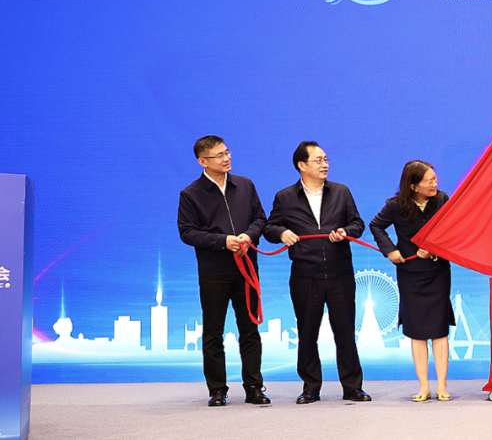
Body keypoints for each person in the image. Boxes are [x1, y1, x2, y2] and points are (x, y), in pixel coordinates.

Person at [264, 141, 370, 404]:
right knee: (307, 333)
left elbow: (357, 223)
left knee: (345, 332)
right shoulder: (285, 197)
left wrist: (346, 232)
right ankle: (311, 387)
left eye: (326, 159)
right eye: (318, 160)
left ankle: (352, 387)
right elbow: (269, 228)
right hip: (305, 275)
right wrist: (282, 233)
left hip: (340, 273)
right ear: (302, 165)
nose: (325, 165)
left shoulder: (341, 192)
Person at [177, 135, 270, 407]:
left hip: (247, 269)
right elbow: (187, 232)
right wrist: (223, 241)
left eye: (227, 152)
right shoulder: (191, 194)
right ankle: (217, 390)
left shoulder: (245, 185)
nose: (226, 158)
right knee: (213, 333)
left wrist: (248, 236)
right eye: (219, 155)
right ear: (202, 161)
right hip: (213, 273)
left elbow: (260, 219)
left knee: (250, 330)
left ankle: (254, 387)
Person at [369, 161, 456, 402]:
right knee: (417, 331)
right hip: (410, 273)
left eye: (435, 179)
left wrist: (434, 248)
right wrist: (390, 250)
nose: (435, 184)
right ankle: (424, 387)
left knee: (439, 330)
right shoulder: (395, 205)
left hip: (437, 272)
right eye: (429, 181)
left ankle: (442, 385)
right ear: (413, 186)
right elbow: (376, 226)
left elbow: (452, 229)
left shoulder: (442, 200)